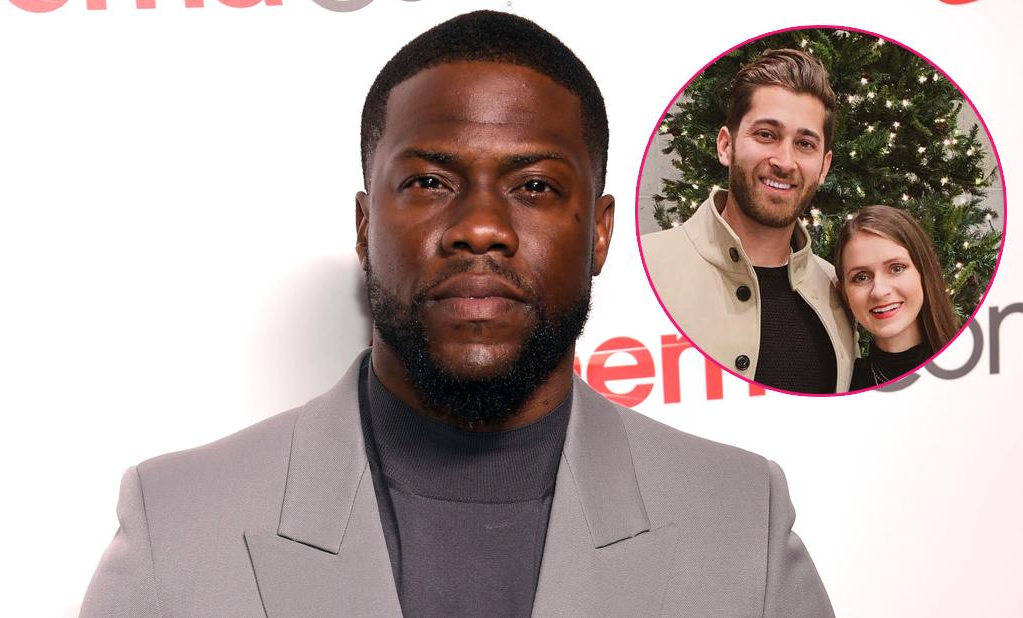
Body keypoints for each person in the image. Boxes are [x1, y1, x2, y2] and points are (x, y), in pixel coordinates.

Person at [81, 11, 834, 617]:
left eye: (535, 186)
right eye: (430, 182)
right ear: (364, 225)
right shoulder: (176, 523)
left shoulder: (741, 523)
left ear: (600, 232)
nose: (481, 226)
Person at [640, 49, 856, 394]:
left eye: (804, 143)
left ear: (824, 166)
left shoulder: (839, 291)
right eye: (767, 134)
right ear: (726, 146)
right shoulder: (643, 267)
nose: (785, 161)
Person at [834, 205, 960, 389]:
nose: (879, 291)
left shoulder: (975, 367)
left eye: (896, 268)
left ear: (923, 273)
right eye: (861, 277)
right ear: (844, 293)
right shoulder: (845, 387)